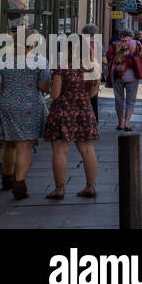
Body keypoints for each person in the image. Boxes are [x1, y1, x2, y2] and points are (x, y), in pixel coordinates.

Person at [0, 29, 50, 200]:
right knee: (24, 145)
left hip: (7, 105)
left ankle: (7, 177)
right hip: (30, 106)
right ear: (33, 43)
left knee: (8, 143)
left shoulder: (2, 60)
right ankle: (19, 184)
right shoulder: (40, 61)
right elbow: (44, 87)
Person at [44, 61, 99, 199]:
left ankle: (60, 189)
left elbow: (55, 94)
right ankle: (91, 186)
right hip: (84, 111)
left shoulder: (62, 67)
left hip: (63, 111)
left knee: (60, 150)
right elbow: (92, 93)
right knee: (87, 150)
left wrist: (49, 87)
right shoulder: (92, 67)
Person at [108, 30, 142, 132]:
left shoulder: (115, 44)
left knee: (118, 99)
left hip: (117, 74)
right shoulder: (137, 43)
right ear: (131, 35)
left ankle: (120, 123)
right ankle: (127, 124)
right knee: (131, 99)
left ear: (122, 35)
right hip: (132, 74)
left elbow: (109, 56)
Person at [81, 24, 100, 122]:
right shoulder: (98, 44)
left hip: (81, 72)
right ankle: (94, 120)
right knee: (93, 98)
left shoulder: (80, 43)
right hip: (94, 74)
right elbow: (104, 60)